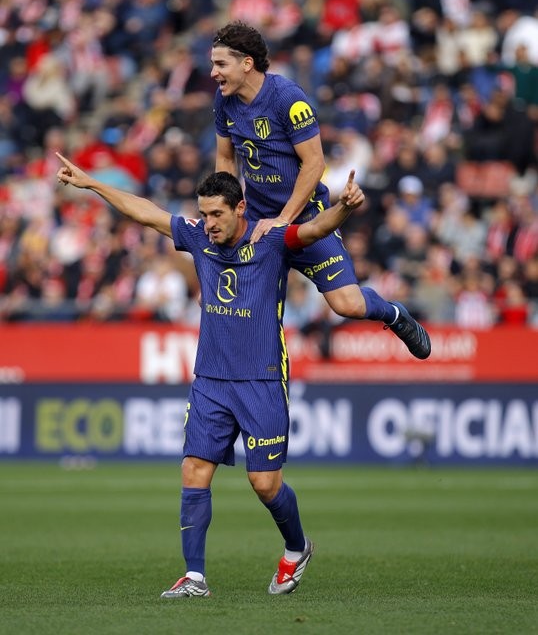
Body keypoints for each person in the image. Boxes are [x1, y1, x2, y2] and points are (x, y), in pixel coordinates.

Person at [55, 152, 364, 598]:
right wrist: (92, 184)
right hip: (211, 380)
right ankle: (195, 577)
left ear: (240, 208)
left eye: (217, 213)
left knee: (265, 483)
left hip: (261, 378)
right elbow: (146, 213)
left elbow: (314, 230)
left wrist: (344, 208)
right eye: (204, 214)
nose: (209, 223)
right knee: (194, 469)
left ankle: (297, 547)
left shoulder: (271, 238)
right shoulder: (198, 237)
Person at [211, 21, 431, 360]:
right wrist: (227, 212)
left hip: (307, 220)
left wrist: (284, 220)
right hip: (255, 221)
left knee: (348, 305)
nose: (213, 73)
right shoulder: (224, 100)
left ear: (247, 63)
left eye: (220, 64)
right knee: (251, 304)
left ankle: (393, 313)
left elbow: (314, 164)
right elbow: (226, 159)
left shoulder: (288, 99)